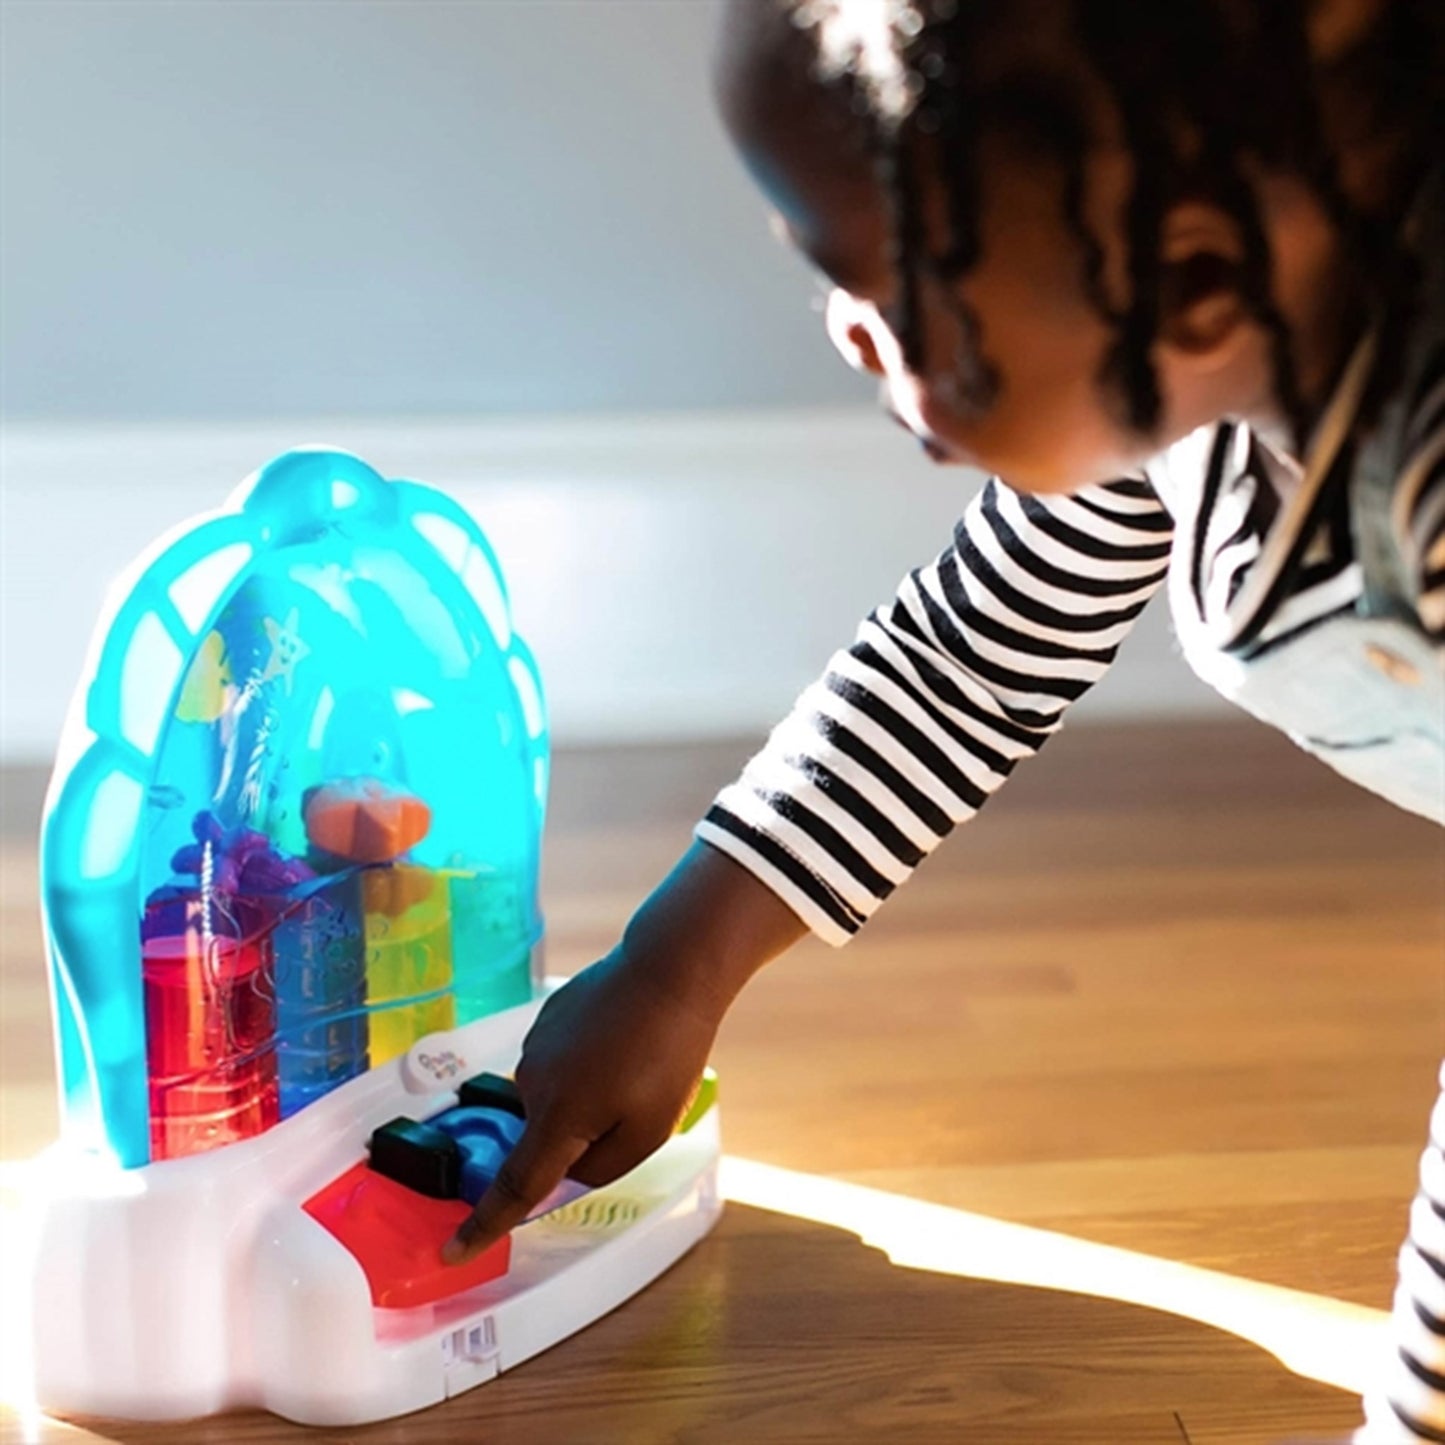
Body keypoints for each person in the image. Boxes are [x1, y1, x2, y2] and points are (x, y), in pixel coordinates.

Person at [444, 1, 1444, 1437]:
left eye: (881, 287)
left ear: (1193, 278)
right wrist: (675, 965)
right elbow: (972, 648)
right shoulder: (1185, 358)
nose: (848, 334)